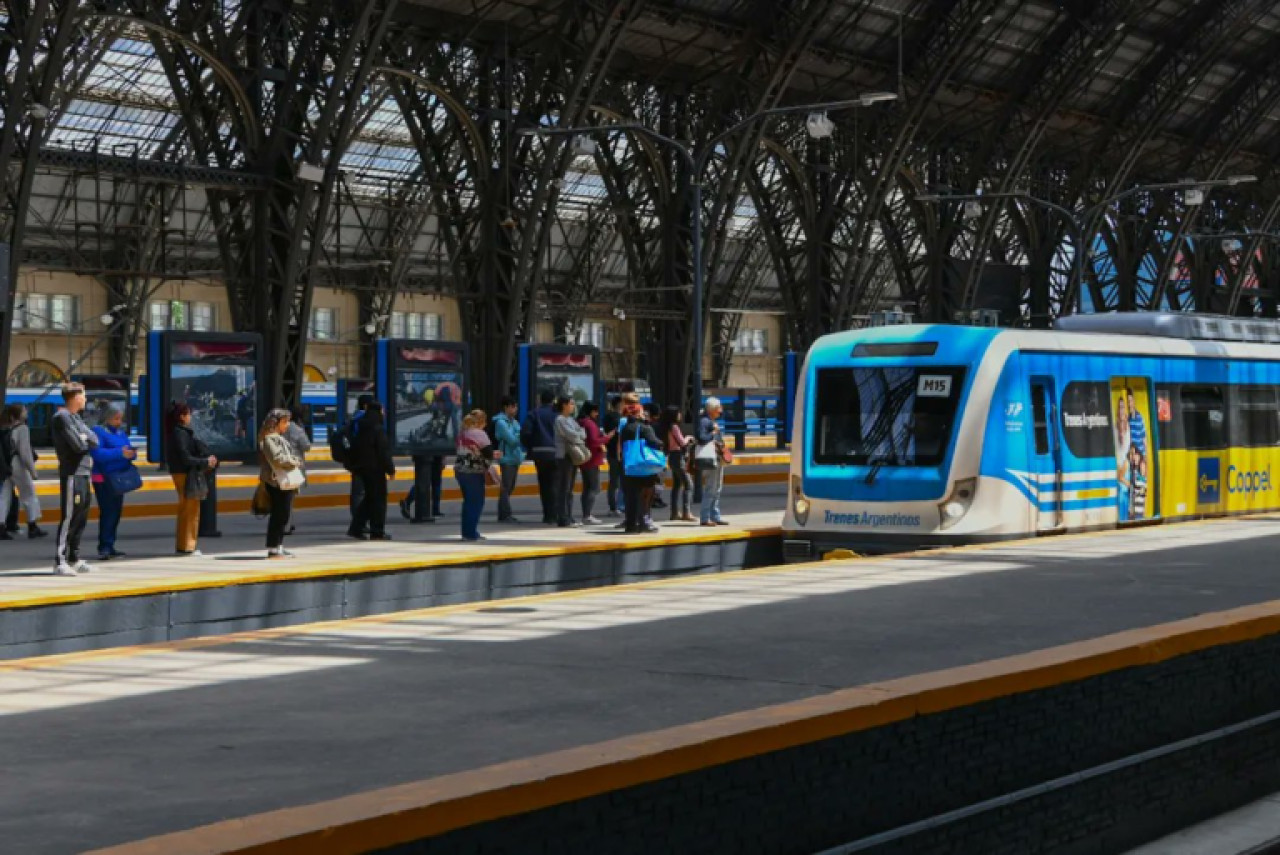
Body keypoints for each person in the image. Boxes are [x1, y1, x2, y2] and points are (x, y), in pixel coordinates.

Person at [51, 383, 100, 574]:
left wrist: (84, 437)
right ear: (74, 397)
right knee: (69, 516)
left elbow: (94, 439)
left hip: (84, 472)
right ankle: (60, 560)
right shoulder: (62, 418)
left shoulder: (76, 418)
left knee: (81, 516)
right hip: (72, 472)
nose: (86, 399)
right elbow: (77, 446)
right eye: (84, 395)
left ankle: (74, 557)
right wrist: (83, 438)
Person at [88, 403, 138, 560]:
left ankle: (110, 544)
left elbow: (128, 448)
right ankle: (104, 546)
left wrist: (131, 454)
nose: (119, 422)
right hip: (103, 478)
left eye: (120, 419)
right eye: (116, 418)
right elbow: (98, 454)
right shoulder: (98, 432)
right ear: (107, 417)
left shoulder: (121, 433)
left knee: (116, 512)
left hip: (118, 477)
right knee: (108, 512)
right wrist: (119, 453)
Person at [167, 401, 218, 556]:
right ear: (182, 416)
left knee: (188, 510)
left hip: (182, 472)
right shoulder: (180, 433)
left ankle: (186, 545)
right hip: (185, 473)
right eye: (188, 414)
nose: (190, 417)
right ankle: (187, 546)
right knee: (190, 511)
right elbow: (186, 458)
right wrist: (205, 462)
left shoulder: (177, 432)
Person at [259, 409, 305, 558]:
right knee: (279, 515)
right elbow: (278, 459)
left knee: (283, 515)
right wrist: (295, 461)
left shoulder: (278, 437)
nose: (287, 425)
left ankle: (278, 546)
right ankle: (273, 547)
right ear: (276, 423)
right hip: (276, 482)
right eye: (284, 422)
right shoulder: (269, 439)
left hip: (281, 482)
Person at [348, 402, 395, 541]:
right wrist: (390, 469)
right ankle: (377, 531)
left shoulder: (362, 426)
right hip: (376, 469)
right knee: (379, 500)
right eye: (383, 410)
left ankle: (356, 528)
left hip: (362, 468)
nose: (384, 413)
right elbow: (383, 451)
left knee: (369, 498)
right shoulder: (377, 428)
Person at [0, 404, 45, 541]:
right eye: (24, 410)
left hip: (7, 466)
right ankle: (33, 526)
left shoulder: (6, 428)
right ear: (19, 414)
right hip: (18, 465)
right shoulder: (22, 428)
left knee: (4, 497)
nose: (26, 412)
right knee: (29, 494)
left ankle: (1, 527)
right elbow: (25, 452)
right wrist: (33, 471)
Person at [618, 395, 662, 534]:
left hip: (629, 466)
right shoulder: (644, 428)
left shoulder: (626, 428)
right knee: (645, 497)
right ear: (639, 413)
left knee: (631, 496)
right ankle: (643, 523)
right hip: (644, 468)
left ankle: (631, 524)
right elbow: (655, 442)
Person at [455, 409, 498, 542]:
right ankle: (470, 533)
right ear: (481, 421)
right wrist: (495, 454)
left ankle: (467, 531)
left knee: (468, 502)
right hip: (474, 472)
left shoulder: (462, 433)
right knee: (476, 502)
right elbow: (488, 453)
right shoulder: (480, 434)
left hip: (460, 471)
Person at [522, 389, 559, 524]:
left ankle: (547, 515)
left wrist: (531, 447)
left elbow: (525, 433)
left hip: (539, 454)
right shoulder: (557, 415)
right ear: (553, 400)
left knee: (544, 485)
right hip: (555, 454)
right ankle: (554, 514)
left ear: (540, 400)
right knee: (555, 485)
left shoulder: (533, 414)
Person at [658, 405, 696, 522]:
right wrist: (688, 438)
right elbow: (682, 443)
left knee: (677, 486)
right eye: (679, 413)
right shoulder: (674, 427)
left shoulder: (665, 427)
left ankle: (674, 513)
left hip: (671, 457)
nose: (680, 415)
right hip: (678, 457)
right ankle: (686, 512)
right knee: (689, 484)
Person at [553, 395, 587, 527]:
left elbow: (583, 433)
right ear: (564, 405)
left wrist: (578, 434)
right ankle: (563, 517)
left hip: (572, 455)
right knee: (564, 487)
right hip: (564, 456)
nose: (573, 406)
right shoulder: (560, 420)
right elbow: (572, 435)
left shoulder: (571, 420)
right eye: (571, 404)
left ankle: (569, 515)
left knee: (570, 488)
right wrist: (578, 435)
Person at [697, 397, 729, 527]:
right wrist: (713, 433)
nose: (720, 410)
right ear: (713, 409)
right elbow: (701, 437)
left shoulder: (711, 421)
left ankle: (715, 515)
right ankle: (705, 518)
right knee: (711, 488)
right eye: (719, 408)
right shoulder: (705, 422)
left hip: (717, 458)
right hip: (711, 459)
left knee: (717, 488)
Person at [576, 401, 609, 525]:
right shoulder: (589, 424)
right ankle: (587, 514)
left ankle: (586, 513)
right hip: (592, 458)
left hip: (585, 458)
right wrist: (607, 437)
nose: (597, 414)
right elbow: (595, 441)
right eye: (595, 411)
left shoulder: (581, 422)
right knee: (593, 487)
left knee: (587, 487)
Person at [493, 396, 525, 522]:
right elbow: (512, 440)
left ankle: (505, 513)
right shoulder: (501, 423)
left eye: (516, 406)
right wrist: (518, 435)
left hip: (515, 457)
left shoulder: (514, 422)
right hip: (507, 458)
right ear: (506, 407)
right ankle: (505, 514)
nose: (515, 409)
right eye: (512, 406)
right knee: (506, 487)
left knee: (510, 487)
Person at [282, 406, 312, 535]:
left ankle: (288, 522)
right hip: (294, 466)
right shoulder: (298, 430)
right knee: (289, 498)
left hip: (280, 464)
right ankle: (286, 525)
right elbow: (306, 446)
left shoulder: (280, 428)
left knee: (283, 496)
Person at [347, 394, 374, 530]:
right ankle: (359, 522)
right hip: (363, 459)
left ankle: (357, 520)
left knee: (357, 492)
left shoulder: (354, 417)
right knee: (362, 492)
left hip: (354, 458)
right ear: (366, 405)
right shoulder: (363, 418)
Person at [400, 454, 444, 523]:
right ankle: (435, 509)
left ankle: (408, 501)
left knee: (423, 480)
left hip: (423, 455)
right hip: (435, 456)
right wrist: (443, 459)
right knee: (434, 482)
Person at [602, 396, 624, 518]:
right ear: (620, 404)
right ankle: (618, 506)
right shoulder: (620, 420)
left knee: (613, 482)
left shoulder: (607, 417)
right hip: (619, 453)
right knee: (621, 481)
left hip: (611, 453)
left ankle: (613, 507)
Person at [645, 403, 667, 509]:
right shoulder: (659, 425)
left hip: (649, 454)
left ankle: (654, 498)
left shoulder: (647, 425)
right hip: (658, 454)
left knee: (653, 478)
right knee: (659, 478)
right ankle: (656, 498)